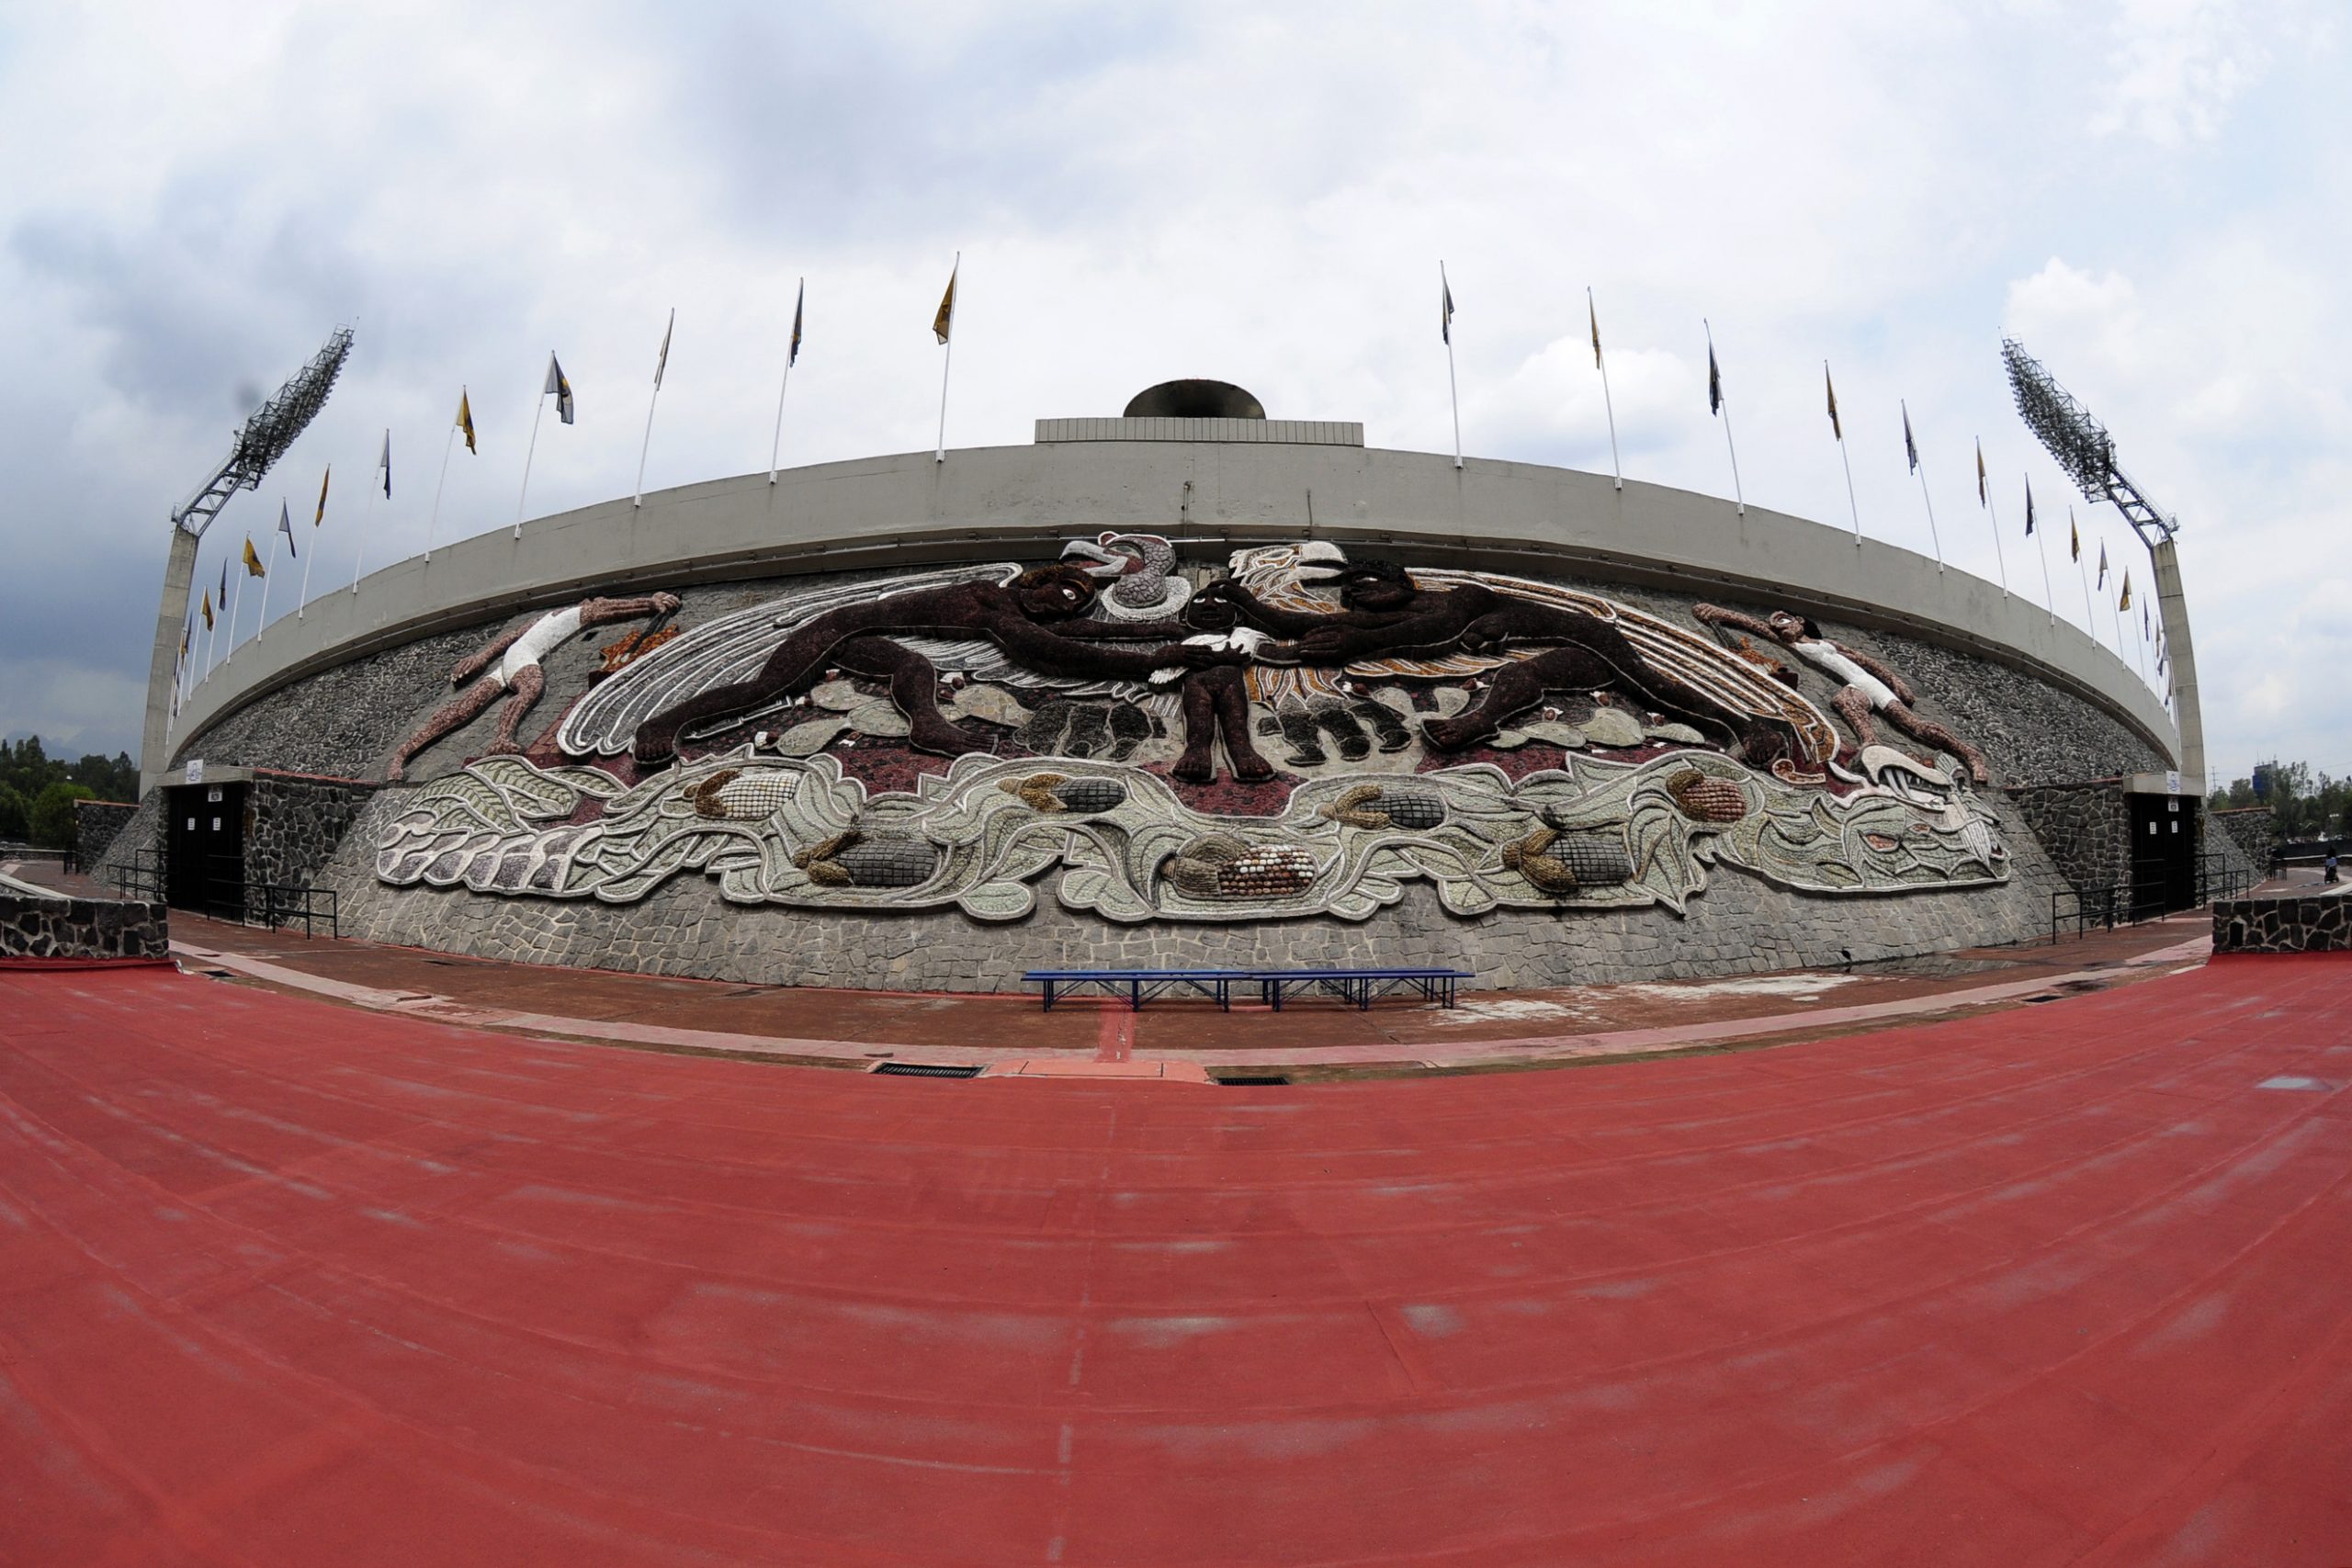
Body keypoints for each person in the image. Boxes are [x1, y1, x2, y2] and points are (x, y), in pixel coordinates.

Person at [629, 565, 1270, 782]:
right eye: (1062, 597)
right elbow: (1072, 654)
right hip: (838, 627)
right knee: (765, 689)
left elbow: (1091, 634)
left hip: (874, 640)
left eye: (1077, 602)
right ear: (1036, 587)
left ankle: (929, 726)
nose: (1068, 609)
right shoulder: (993, 603)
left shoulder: (1023, 612)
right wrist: (1162, 658)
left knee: (910, 663)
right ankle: (666, 722)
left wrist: (1175, 630)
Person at [389, 592, 681, 782]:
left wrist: (483, 658)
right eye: (594, 601)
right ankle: (502, 738)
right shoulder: (571, 614)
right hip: (519, 657)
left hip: (511, 659)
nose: (597, 603)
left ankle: (402, 754)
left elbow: (609, 609)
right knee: (530, 684)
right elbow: (609, 608)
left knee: (462, 709)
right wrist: (651, 603)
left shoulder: (550, 617)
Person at [1691, 604, 1991, 784]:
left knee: (1916, 727)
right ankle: (1870, 743)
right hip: (1854, 688)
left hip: (1869, 682)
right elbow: (1753, 625)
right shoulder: (1792, 646)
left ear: (1800, 623)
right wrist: (1720, 613)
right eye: (1777, 626)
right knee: (1845, 701)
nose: (1780, 629)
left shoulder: (1830, 643)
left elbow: (1866, 660)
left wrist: (1896, 680)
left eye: (1785, 622)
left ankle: (1969, 754)